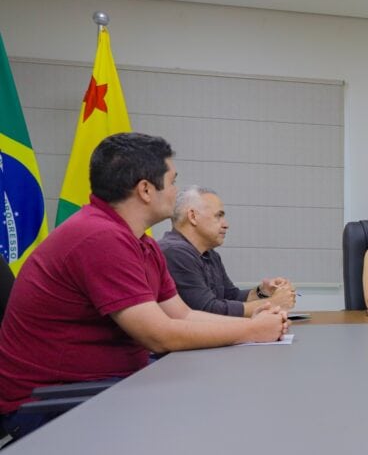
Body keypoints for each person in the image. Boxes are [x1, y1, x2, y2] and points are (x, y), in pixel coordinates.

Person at [0, 133, 288, 439]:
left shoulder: (142, 243)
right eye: (173, 181)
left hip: (103, 386)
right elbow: (159, 336)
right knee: (210, 419)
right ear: (146, 189)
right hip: (49, 404)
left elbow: (182, 315)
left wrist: (253, 323)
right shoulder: (99, 237)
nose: (176, 192)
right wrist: (252, 331)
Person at [159, 185, 296, 316]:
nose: (226, 224)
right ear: (193, 216)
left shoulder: (210, 255)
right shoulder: (174, 253)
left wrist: (263, 292)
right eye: (218, 216)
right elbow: (207, 310)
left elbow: (231, 296)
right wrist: (273, 303)